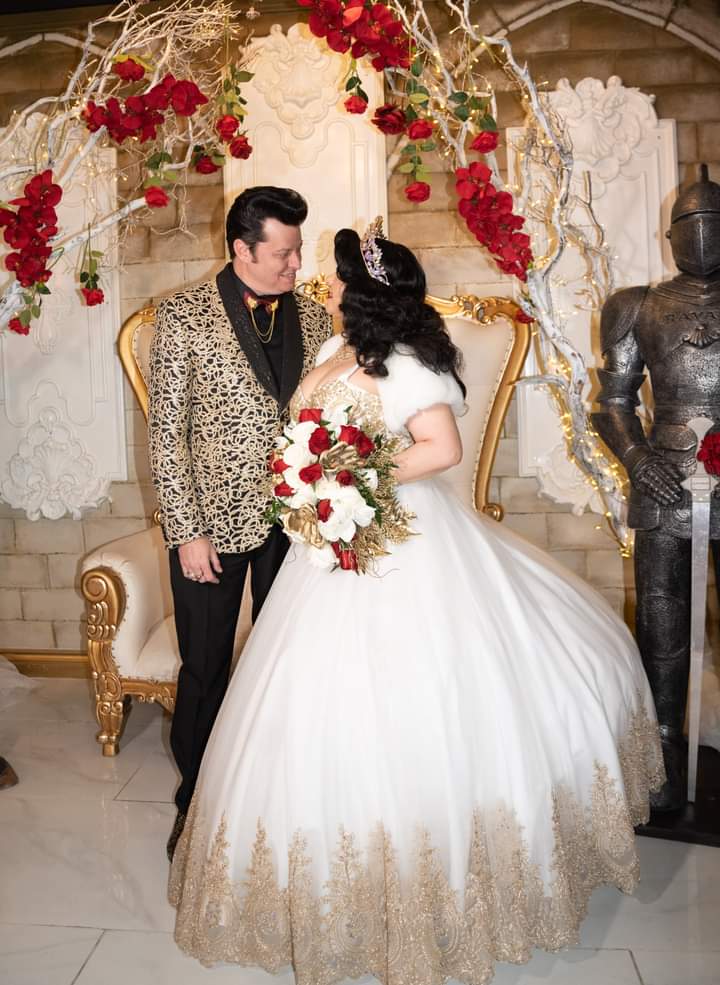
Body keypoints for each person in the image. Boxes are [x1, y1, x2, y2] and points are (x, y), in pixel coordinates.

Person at [168, 222, 663, 984]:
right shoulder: (337, 348)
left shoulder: (401, 359)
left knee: (418, 693)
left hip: (396, 536)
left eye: (336, 275)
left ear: (363, 289)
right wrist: (317, 479)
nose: (325, 284)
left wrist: (353, 474)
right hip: (328, 548)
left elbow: (442, 448)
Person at [148, 186, 332, 862]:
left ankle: (275, 795)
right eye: (283, 253)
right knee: (204, 668)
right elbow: (166, 435)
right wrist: (185, 531)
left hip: (296, 524)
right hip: (211, 529)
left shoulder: (315, 316)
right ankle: (195, 804)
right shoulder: (182, 314)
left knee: (287, 664)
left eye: (298, 250)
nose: (296, 264)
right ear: (242, 249)